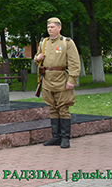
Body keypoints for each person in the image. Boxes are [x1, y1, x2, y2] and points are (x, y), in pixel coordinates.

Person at [34, 17, 81, 149]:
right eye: (48, 27)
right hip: (47, 79)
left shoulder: (67, 42)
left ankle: (65, 138)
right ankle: (56, 137)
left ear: (59, 28)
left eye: (52, 27)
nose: (50, 29)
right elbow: (36, 59)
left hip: (62, 79)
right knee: (52, 108)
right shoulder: (44, 42)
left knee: (63, 108)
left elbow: (74, 63)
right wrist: (37, 58)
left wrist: (72, 80)